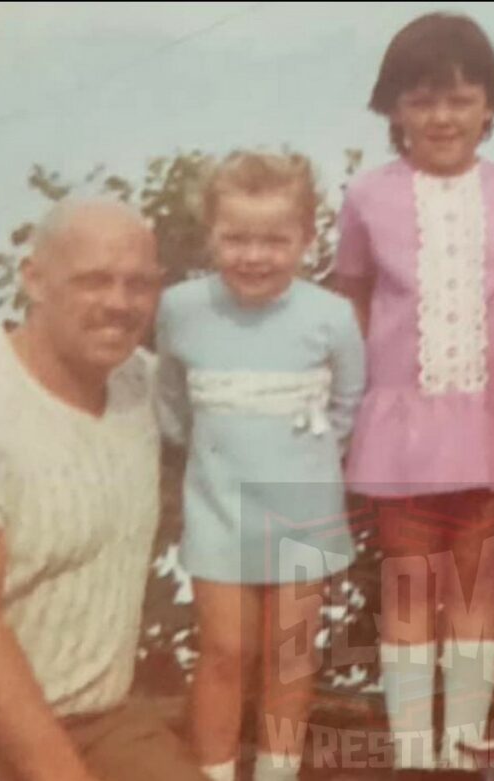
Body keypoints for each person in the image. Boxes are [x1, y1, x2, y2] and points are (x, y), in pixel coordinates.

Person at [0, 199, 208, 781]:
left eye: (139, 284)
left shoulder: (142, 385)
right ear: (34, 280)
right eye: (93, 281)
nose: (118, 303)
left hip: (98, 718)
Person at [334, 11, 494, 771]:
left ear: (490, 104)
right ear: (393, 108)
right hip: (403, 424)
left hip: (492, 422)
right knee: (409, 584)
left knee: (476, 584)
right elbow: (353, 299)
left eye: (461, 99)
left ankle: (462, 744)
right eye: (422, 100)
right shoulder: (367, 198)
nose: (442, 117)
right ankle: (412, 747)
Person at [154, 151, 365, 781]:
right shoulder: (181, 308)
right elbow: (171, 405)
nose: (254, 255)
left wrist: (307, 455)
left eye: (275, 240)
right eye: (236, 237)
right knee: (224, 650)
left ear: (306, 238)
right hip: (218, 505)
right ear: (211, 233)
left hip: (302, 505)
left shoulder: (330, 317)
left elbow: (349, 403)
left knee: (290, 654)